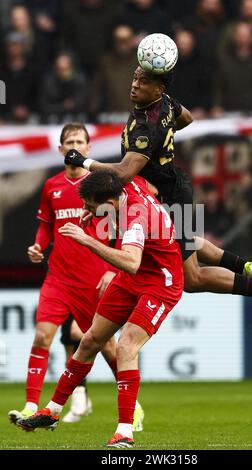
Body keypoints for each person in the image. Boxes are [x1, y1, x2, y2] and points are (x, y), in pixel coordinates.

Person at [63, 66, 252, 328]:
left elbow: (124, 173)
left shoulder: (145, 127)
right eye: (134, 77)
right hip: (167, 190)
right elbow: (187, 118)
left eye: (143, 81)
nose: (135, 84)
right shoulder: (164, 103)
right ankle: (244, 266)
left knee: (192, 279)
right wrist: (164, 135)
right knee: (184, 241)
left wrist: (84, 161)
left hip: (169, 197)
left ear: (158, 88)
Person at [17, 169, 184, 448]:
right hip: (133, 278)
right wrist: (96, 213)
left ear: (110, 201)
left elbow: (130, 261)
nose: (85, 211)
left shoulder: (134, 220)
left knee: (126, 346)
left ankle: (125, 432)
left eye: (90, 206)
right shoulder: (130, 184)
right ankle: (54, 411)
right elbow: (151, 189)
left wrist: (87, 239)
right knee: (90, 339)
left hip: (160, 283)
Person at [8, 122, 144, 431]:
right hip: (58, 276)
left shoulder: (101, 188)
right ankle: (32, 406)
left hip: (94, 277)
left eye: (80, 141)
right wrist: (38, 246)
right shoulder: (51, 186)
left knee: (105, 344)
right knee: (43, 335)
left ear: (88, 149)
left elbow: (120, 230)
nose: (75, 145)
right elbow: (45, 225)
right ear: (60, 149)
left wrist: (113, 269)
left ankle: (132, 404)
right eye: (70, 141)